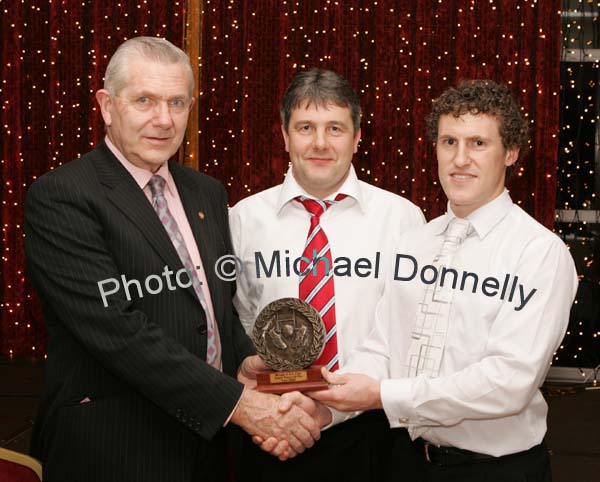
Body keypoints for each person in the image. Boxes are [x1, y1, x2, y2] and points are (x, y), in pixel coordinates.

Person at [24, 37, 320, 482]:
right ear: (107, 105)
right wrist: (241, 405)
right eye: (145, 100)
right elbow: (118, 331)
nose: (164, 120)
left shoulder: (207, 193)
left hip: (209, 448)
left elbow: (214, 308)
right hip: (114, 448)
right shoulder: (63, 195)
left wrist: (243, 363)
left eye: (177, 103)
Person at [303, 79, 578, 481]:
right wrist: (330, 407)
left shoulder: (539, 253)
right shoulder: (415, 243)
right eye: (449, 142)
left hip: (496, 471)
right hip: (406, 462)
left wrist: (384, 395)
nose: (460, 159)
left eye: (478, 144)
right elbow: (382, 348)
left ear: (511, 153)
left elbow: (509, 381)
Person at [229, 68, 425, 481]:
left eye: (335, 128)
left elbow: (407, 333)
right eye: (305, 127)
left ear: (357, 137)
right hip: (273, 430)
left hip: (372, 436)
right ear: (284, 136)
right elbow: (240, 320)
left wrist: (330, 408)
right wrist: (279, 412)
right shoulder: (242, 219)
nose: (319, 143)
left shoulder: (402, 219)